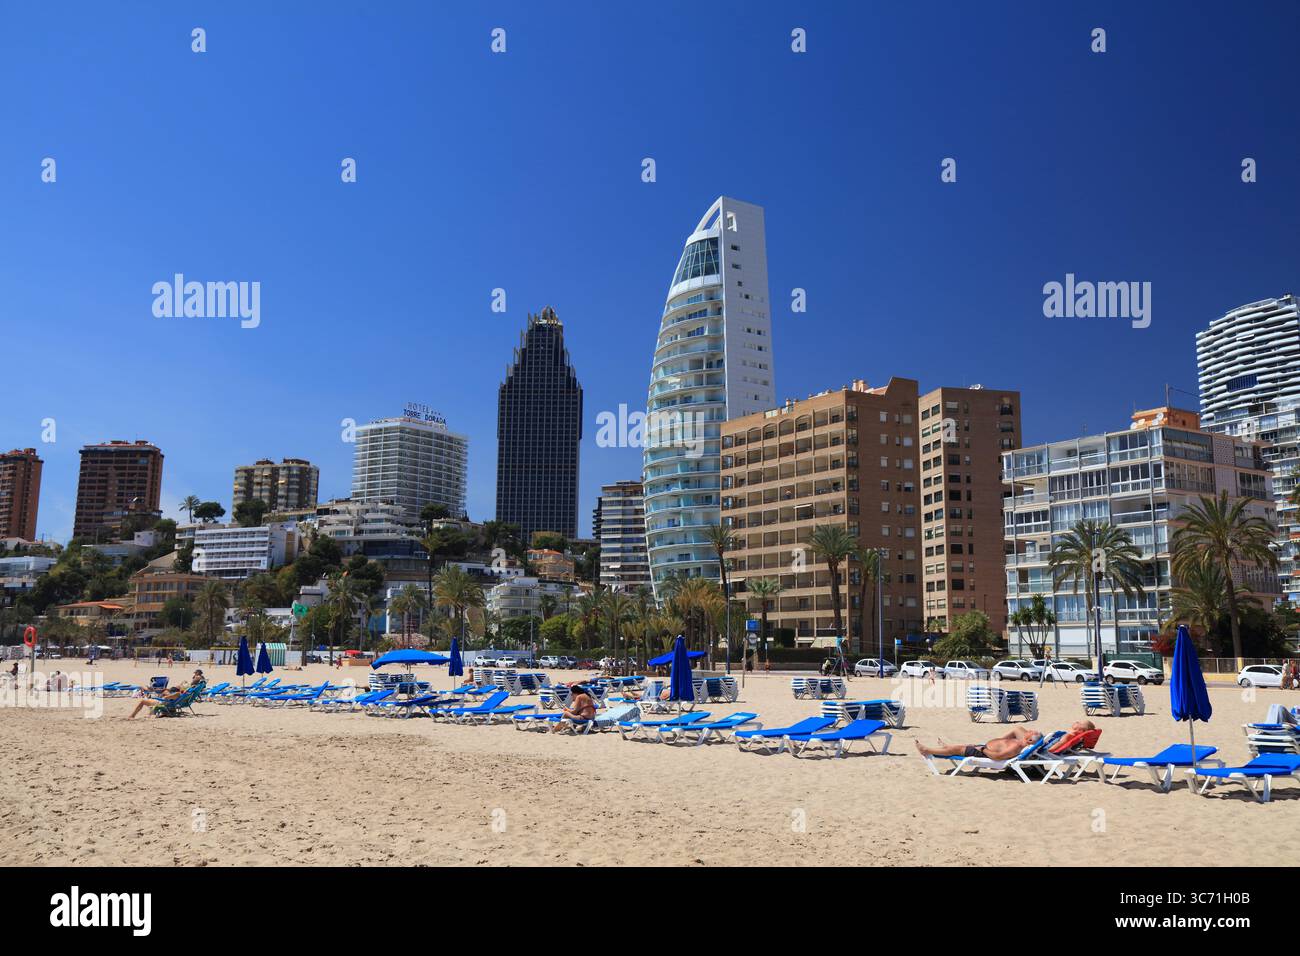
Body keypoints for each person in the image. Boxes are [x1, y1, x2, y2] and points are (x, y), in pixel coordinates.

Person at [914, 727, 1042, 761]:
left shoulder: (1016, 747)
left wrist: (983, 750)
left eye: (1031, 732)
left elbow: (998, 757)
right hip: (986, 748)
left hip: (986, 753)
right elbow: (1018, 729)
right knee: (965, 746)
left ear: (1030, 741)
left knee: (957, 749)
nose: (1029, 730)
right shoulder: (1021, 742)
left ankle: (927, 750)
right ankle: (946, 747)